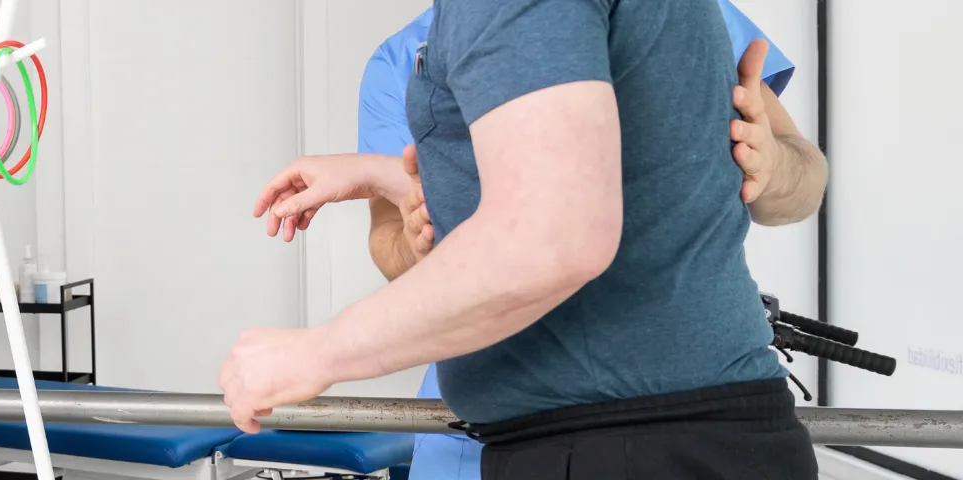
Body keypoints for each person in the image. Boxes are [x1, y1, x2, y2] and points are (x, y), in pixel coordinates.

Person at [222, 0, 829, 478]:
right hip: (606, 427)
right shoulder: (407, 54)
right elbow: (567, 185)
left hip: (624, 433)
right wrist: (394, 189)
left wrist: (315, 354)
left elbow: (552, 236)